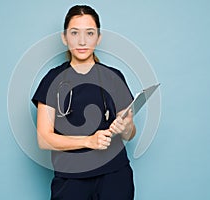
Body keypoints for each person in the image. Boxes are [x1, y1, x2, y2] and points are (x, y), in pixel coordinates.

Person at [32, 5, 136, 200]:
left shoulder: (114, 77)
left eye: (89, 33)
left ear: (98, 38)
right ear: (64, 38)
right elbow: (43, 139)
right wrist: (88, 141)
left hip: (115, 176)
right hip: (71, 180)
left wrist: (127, 126)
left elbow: (129, 134)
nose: (82, 41)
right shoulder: (52, 80)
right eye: (74, 33)